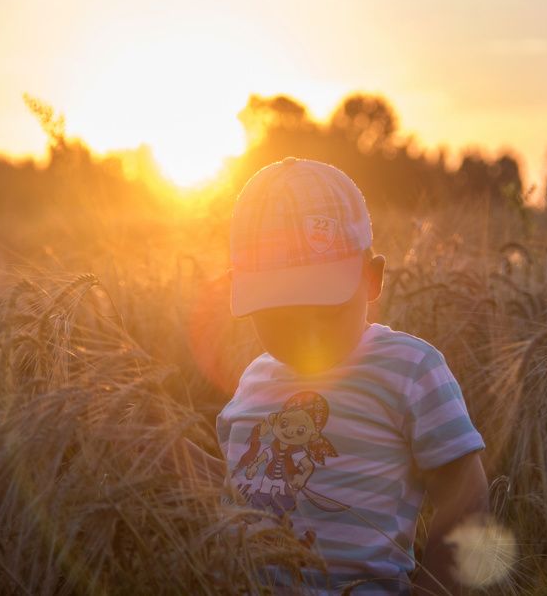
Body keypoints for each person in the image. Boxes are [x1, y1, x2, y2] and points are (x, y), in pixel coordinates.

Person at [196, 157, 489, 595]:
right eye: (278, 312)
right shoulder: (253, 380)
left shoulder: (409, 368)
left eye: (323, 307)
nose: (304, 330)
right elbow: (233, 491)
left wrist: (435, 589)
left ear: (372, 279)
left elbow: (465, 492)